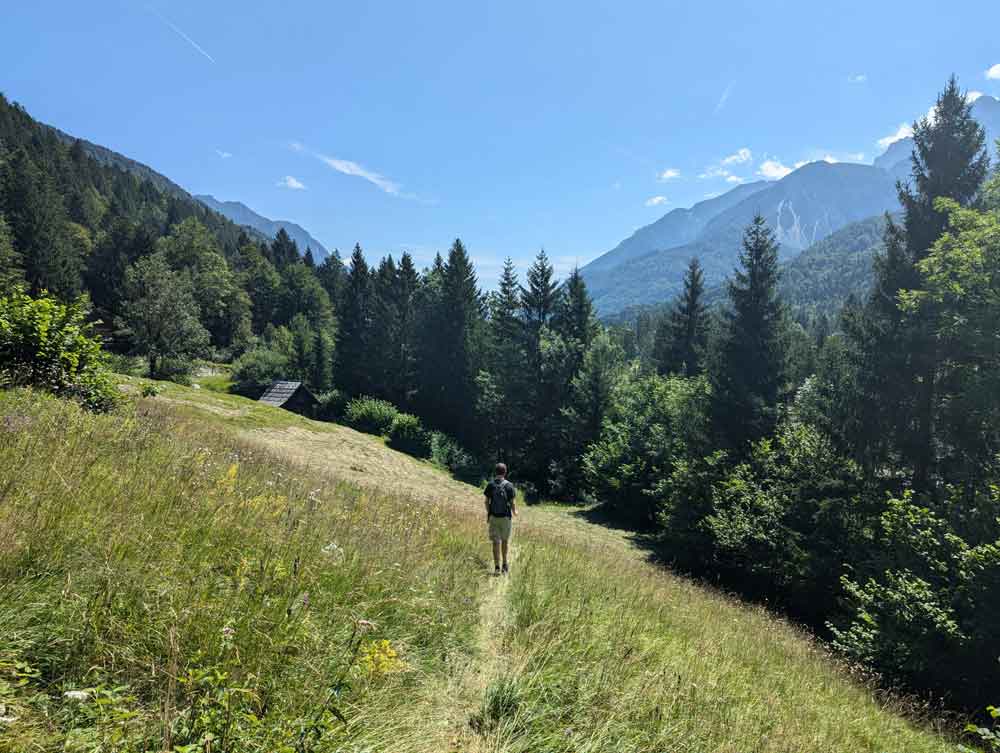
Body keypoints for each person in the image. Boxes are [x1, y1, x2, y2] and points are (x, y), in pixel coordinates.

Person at [484, 462, 516, 575]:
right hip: (506, 518)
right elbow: (512, 502)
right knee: (505, 541)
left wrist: (489, 512)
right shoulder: (509, 485)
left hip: (494, 517)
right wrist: (515, 512)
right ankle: (505, 565)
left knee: (495, 542)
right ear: (505, 472)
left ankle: (497, 567)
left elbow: (486, 502)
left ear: (495, 472)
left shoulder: (490, 485)